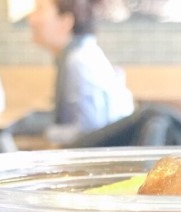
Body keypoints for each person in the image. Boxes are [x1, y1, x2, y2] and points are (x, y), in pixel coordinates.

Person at [28, 0, 134, 146]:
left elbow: (88, 132)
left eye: (39, 10)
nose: (31, 19)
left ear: (66, 22)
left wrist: (42, 132)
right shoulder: (80, 54)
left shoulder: (79, 61)